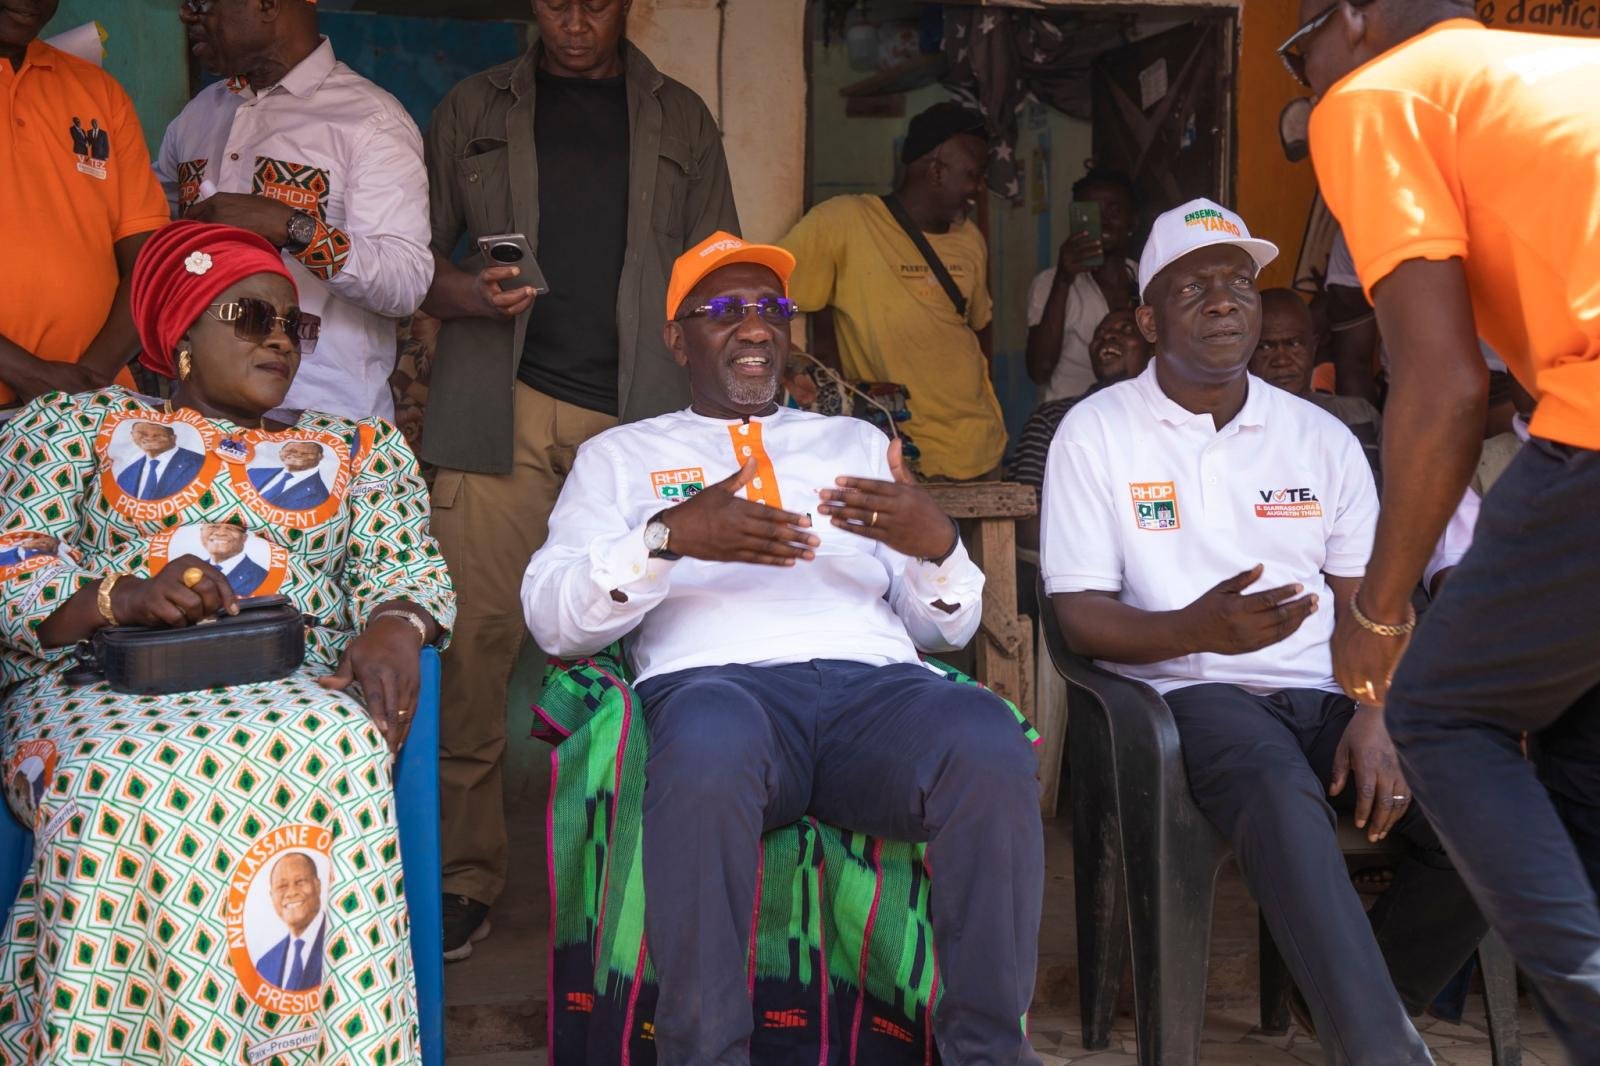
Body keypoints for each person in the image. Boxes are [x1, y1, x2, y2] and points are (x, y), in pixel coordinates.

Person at [522, 233, 1044, 1064]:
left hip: (875, 695)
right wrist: (669, 536)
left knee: (985, 740)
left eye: (771, 309)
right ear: (677, 338)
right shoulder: (619, 457)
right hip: (718, 691)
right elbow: (553, 619)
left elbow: (942, 628)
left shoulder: (854, 445)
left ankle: (989, 1053)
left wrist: (941, 544)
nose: (756, 327)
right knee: (707, 745)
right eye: (725, 310)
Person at [1041, 200, 1486, 1062]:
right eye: (1195, 287)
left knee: (1481, 804)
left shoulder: (1319, 438)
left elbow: (1375, 605)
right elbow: (1079, 618)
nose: (1224, 301)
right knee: (1282, 799)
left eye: (1239, 283)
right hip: (1189, 695)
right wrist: (1194, 627)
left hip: (1328, 692)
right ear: (1148, 317)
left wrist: (1377, 713)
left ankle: (1364, 1003)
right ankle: (1384, 1050)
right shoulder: (1095, 434)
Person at [0, 220, 454, 1062]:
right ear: (177, 338)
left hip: (300, 682)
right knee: (115, 780)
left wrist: (399, 623)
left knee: (339, 751)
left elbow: (406, 564)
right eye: (251, 316)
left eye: (293, 325)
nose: (280, 338)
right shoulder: (70, 427)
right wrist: (119, 597)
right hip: (106, 687)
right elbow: (14, 563)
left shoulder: (354, 447)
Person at [1291, 2, 1600, 1048]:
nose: (1307, 83)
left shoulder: (1376, 94)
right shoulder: (1555, 74)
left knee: (1440, 716)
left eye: (1301, 55)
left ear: (1350, 18)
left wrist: (1378, 620)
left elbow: (1440, 382)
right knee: (1578, 744)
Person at [420, 0, 739, 960]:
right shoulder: (472, 109)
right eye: (555, 2)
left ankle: (647, 868)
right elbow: (407, 265)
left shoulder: (681, 117)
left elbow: (717, 275)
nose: (573, 21)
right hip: (500, 409)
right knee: (472, 645)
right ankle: (461, 881)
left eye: (594, 3)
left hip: (641, 423)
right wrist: (467, 290)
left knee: (658, 644)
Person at [157, 0, 432, 422]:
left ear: (266, 5)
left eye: (203, 3)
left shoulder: (370, 122)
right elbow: (154, 237)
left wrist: (292, 227)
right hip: (201, 423)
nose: (188, 16)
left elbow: (405, 280)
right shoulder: (198, 115)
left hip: (319, 425)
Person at [780, 101, 1005, 481]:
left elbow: (978, 327)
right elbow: (762, 297)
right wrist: (798, 366)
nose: (978, 188)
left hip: (982, 447)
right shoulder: (845, 222)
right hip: (898, 454)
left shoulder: (970, 239)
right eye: (973, 174)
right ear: (935, 171)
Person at [0, 0, 171, 408]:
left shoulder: (97, 90)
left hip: (88, 406)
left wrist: (87, 383)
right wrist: (31, 374)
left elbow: (147, 261)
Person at [1008, 308, 1151, 552]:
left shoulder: (1175, 420)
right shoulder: (1051, 420)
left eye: (1126, 330)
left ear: (1154, 348)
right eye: (1101, 333)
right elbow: (1026, 526)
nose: (1109, 337)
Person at [1025, 170, 1140, 402]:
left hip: (1131, 416)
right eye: (1091, 213)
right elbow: (1039, 370)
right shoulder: (1050, 282)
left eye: (1114, 211)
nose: (1103, 221)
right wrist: (1064, 280)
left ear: (1132, 222)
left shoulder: (1147, 277)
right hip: (1064, 417)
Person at [1250, 288, 1382, 480]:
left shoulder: (1359, 415)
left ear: (1314, 346)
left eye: (1294, 344)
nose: (1281, 360)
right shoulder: (1234, 427)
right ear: (1246, 353)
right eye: (1265, 347)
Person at [252, 852, 326, 993]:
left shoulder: (342, 944)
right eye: (282, 886)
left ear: (317, 886)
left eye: (300, 882)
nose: (291, 892)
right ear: (271, 896)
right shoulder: (265, 965)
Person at [115, 421, 207, 500]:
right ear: (132, 435)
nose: (150, 438)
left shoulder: (200, 463)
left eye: (158, 435)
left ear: (173, 438)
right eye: (142, 433)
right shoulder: (125, 476)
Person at [250, 439, 331, 509]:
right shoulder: (253, 472)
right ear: (280, 452)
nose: (298, 455)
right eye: (291, 451)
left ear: (320, 457)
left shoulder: (320, 496)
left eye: (306, 453)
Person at [199, 522, 270, 596]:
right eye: (213, 526)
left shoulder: (263, 578)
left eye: (231, 528)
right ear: (201, 531)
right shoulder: (193, 568)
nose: (220, 533)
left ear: (244, 538)